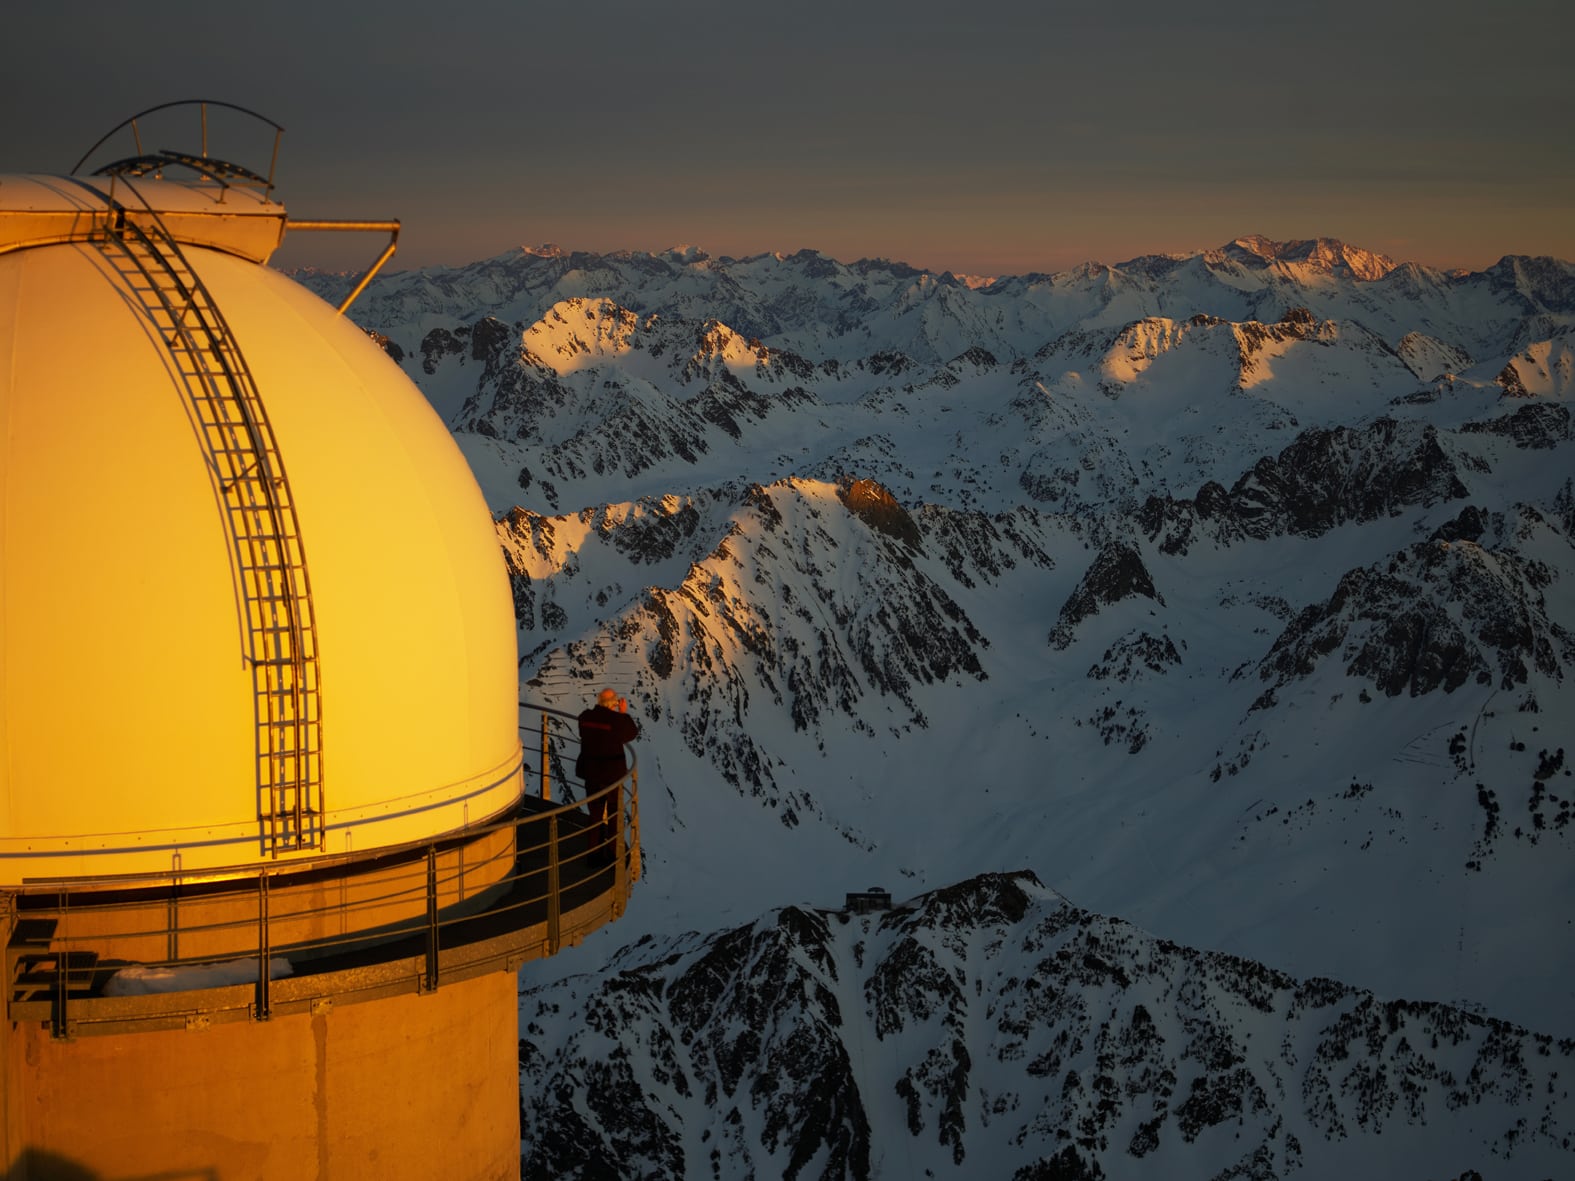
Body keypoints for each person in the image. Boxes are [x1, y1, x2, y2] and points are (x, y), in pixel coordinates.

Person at [576, 688, 638, 865]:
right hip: (611, 776)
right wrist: (623, 713)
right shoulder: (616, 721)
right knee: (613, 816)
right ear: (614, 703)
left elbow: (584, 728)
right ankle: (612, 854)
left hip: (591, 774)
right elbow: (631, 733)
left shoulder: (585, 717)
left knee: (595, 815)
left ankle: (593, 855)